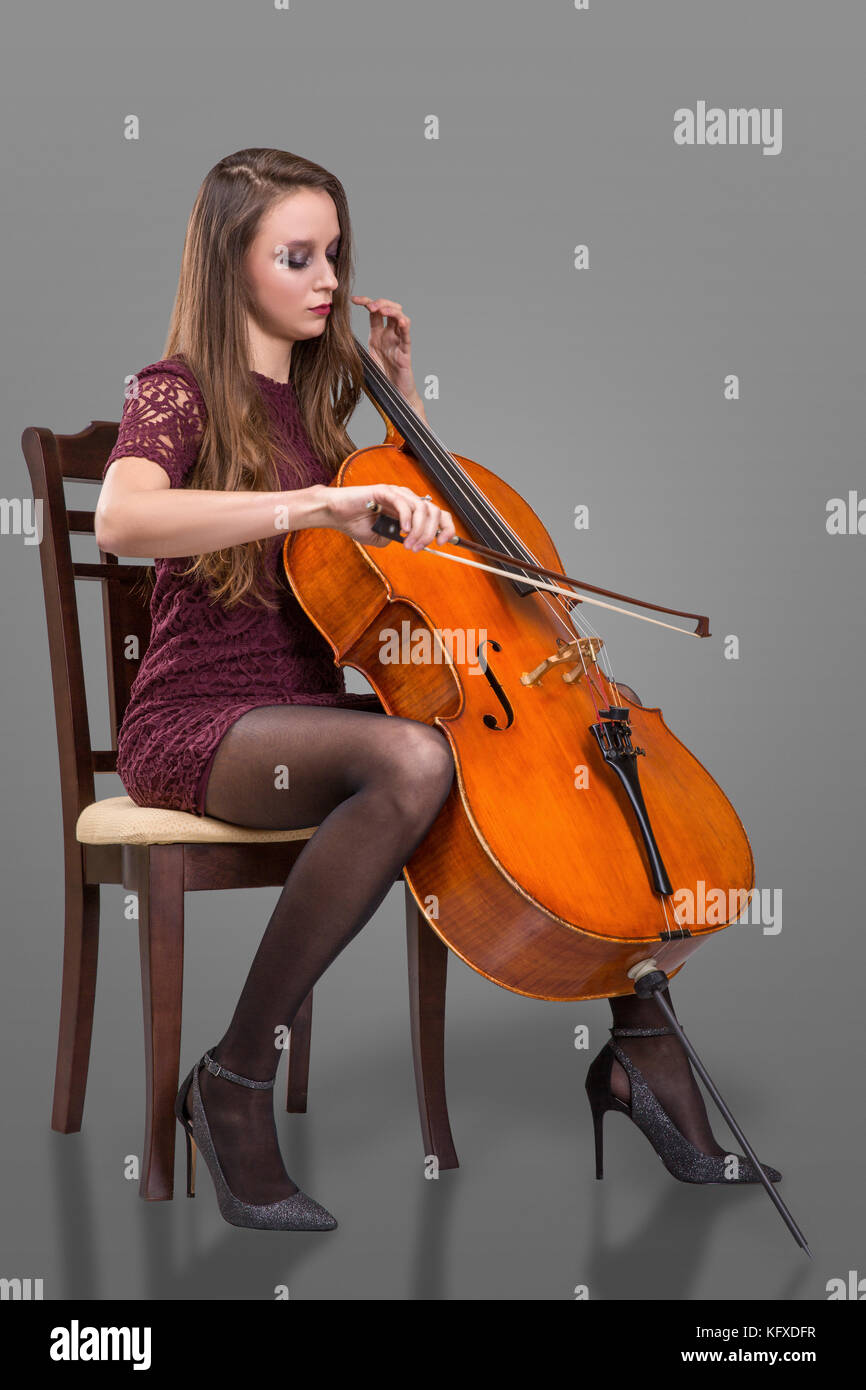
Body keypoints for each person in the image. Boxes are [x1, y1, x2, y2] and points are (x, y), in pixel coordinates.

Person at [95, 148, 778, 1233]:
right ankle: (229, 1078)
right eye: (296, 255)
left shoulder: (321, 416)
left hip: (306, 716)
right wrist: (307, 508)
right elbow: (122, 520)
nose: (326, 277)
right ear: (230, 265)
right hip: (198, 720)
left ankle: (640, 1049)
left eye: (334, 254)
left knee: (550, 766)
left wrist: (404, 406)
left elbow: (423, 555)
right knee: (413, 757)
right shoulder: (172, 391)